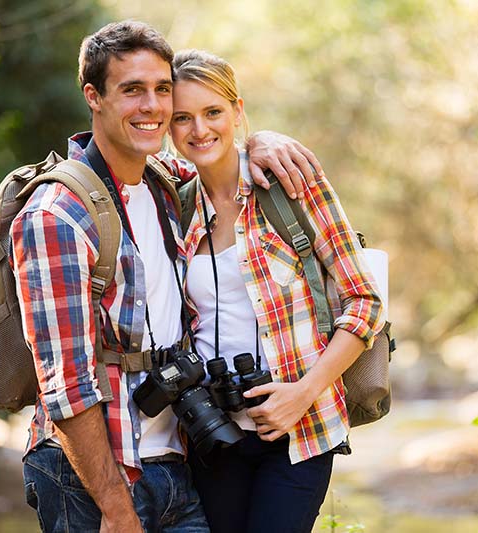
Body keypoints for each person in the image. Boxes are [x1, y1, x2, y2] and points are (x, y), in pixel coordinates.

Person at [11, 21, 321, 533]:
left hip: (176, 462)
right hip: (93, 478)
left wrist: (260, 140)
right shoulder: (55, 217)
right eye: (132, 89)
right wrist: (115, 507)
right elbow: (66, 385)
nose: (152, 106)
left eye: (161, 89)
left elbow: (218, 157)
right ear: (94, 97)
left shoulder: (163, 185)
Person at [169, 49, 385, 533]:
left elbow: (365, 302)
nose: (199, 130)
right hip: (213, 433)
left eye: (213, 112)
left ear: (238, 111)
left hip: (300, 430)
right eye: (182, 118)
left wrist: (303, 393)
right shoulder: (175, 202)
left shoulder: (290, 185)